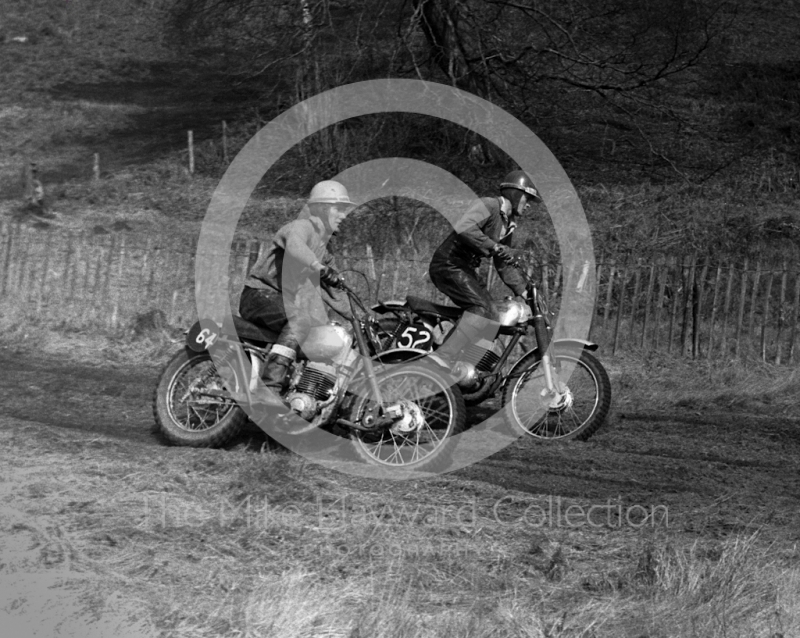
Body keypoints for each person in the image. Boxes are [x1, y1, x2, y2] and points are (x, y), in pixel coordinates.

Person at [238, 180, 355, 407]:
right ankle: (270, 387)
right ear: (322, 208)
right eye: (338, 209)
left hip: (280, 303)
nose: (343, 215)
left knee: (325, 332)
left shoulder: (325, 250)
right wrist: (317, 267)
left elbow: (335, 293)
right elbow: (295, 246)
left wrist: (361, 317)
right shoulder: (300, 227)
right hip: (259, 295)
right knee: (299, 318)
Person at [429, 169, 542, 359]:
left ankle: (468, 362)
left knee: (493, 315)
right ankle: (443, 357)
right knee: (481, 309)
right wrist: (494, 246)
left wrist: (524, 292)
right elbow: (464, 227)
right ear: (515, 194)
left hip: (465, 269)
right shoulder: (489, 205)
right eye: (527, 198)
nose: (529, 205)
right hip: (449, 265)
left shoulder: (507, 224)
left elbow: (503, 264)